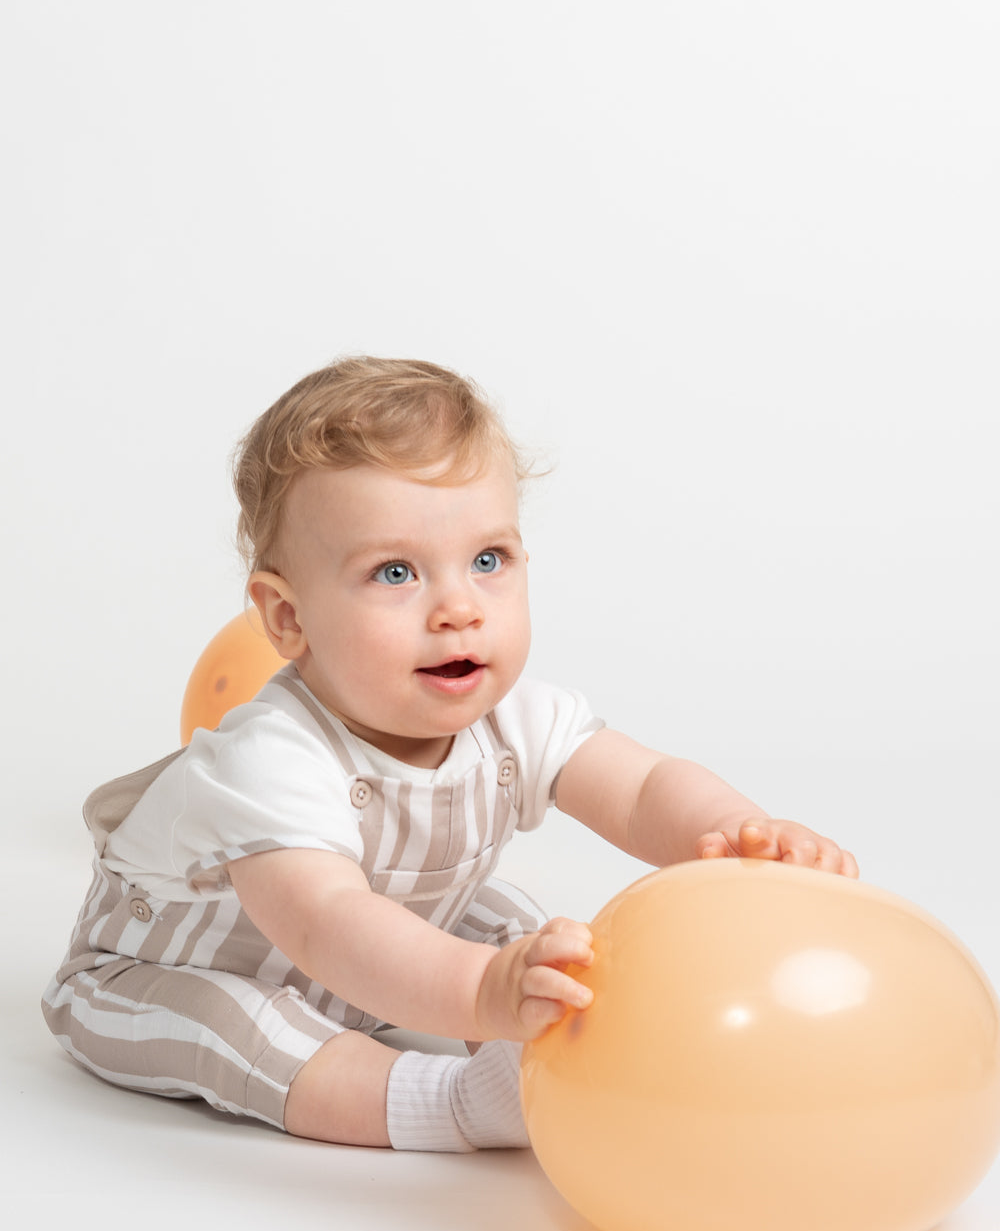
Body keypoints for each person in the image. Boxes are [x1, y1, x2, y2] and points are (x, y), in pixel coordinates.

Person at [42, 356, 859, 1152]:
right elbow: (329, 922)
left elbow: (642, 786)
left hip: (383, 954)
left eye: (487, 561)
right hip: (164, 980)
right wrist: (478, 991)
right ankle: (454, 1103)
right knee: (243, 1030)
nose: (459, 608)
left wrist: (738, 835)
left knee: (529, 928)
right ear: (288, 620)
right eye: (395, 572)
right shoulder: (270, 758)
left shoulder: (515, 716)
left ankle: (575, 1046)